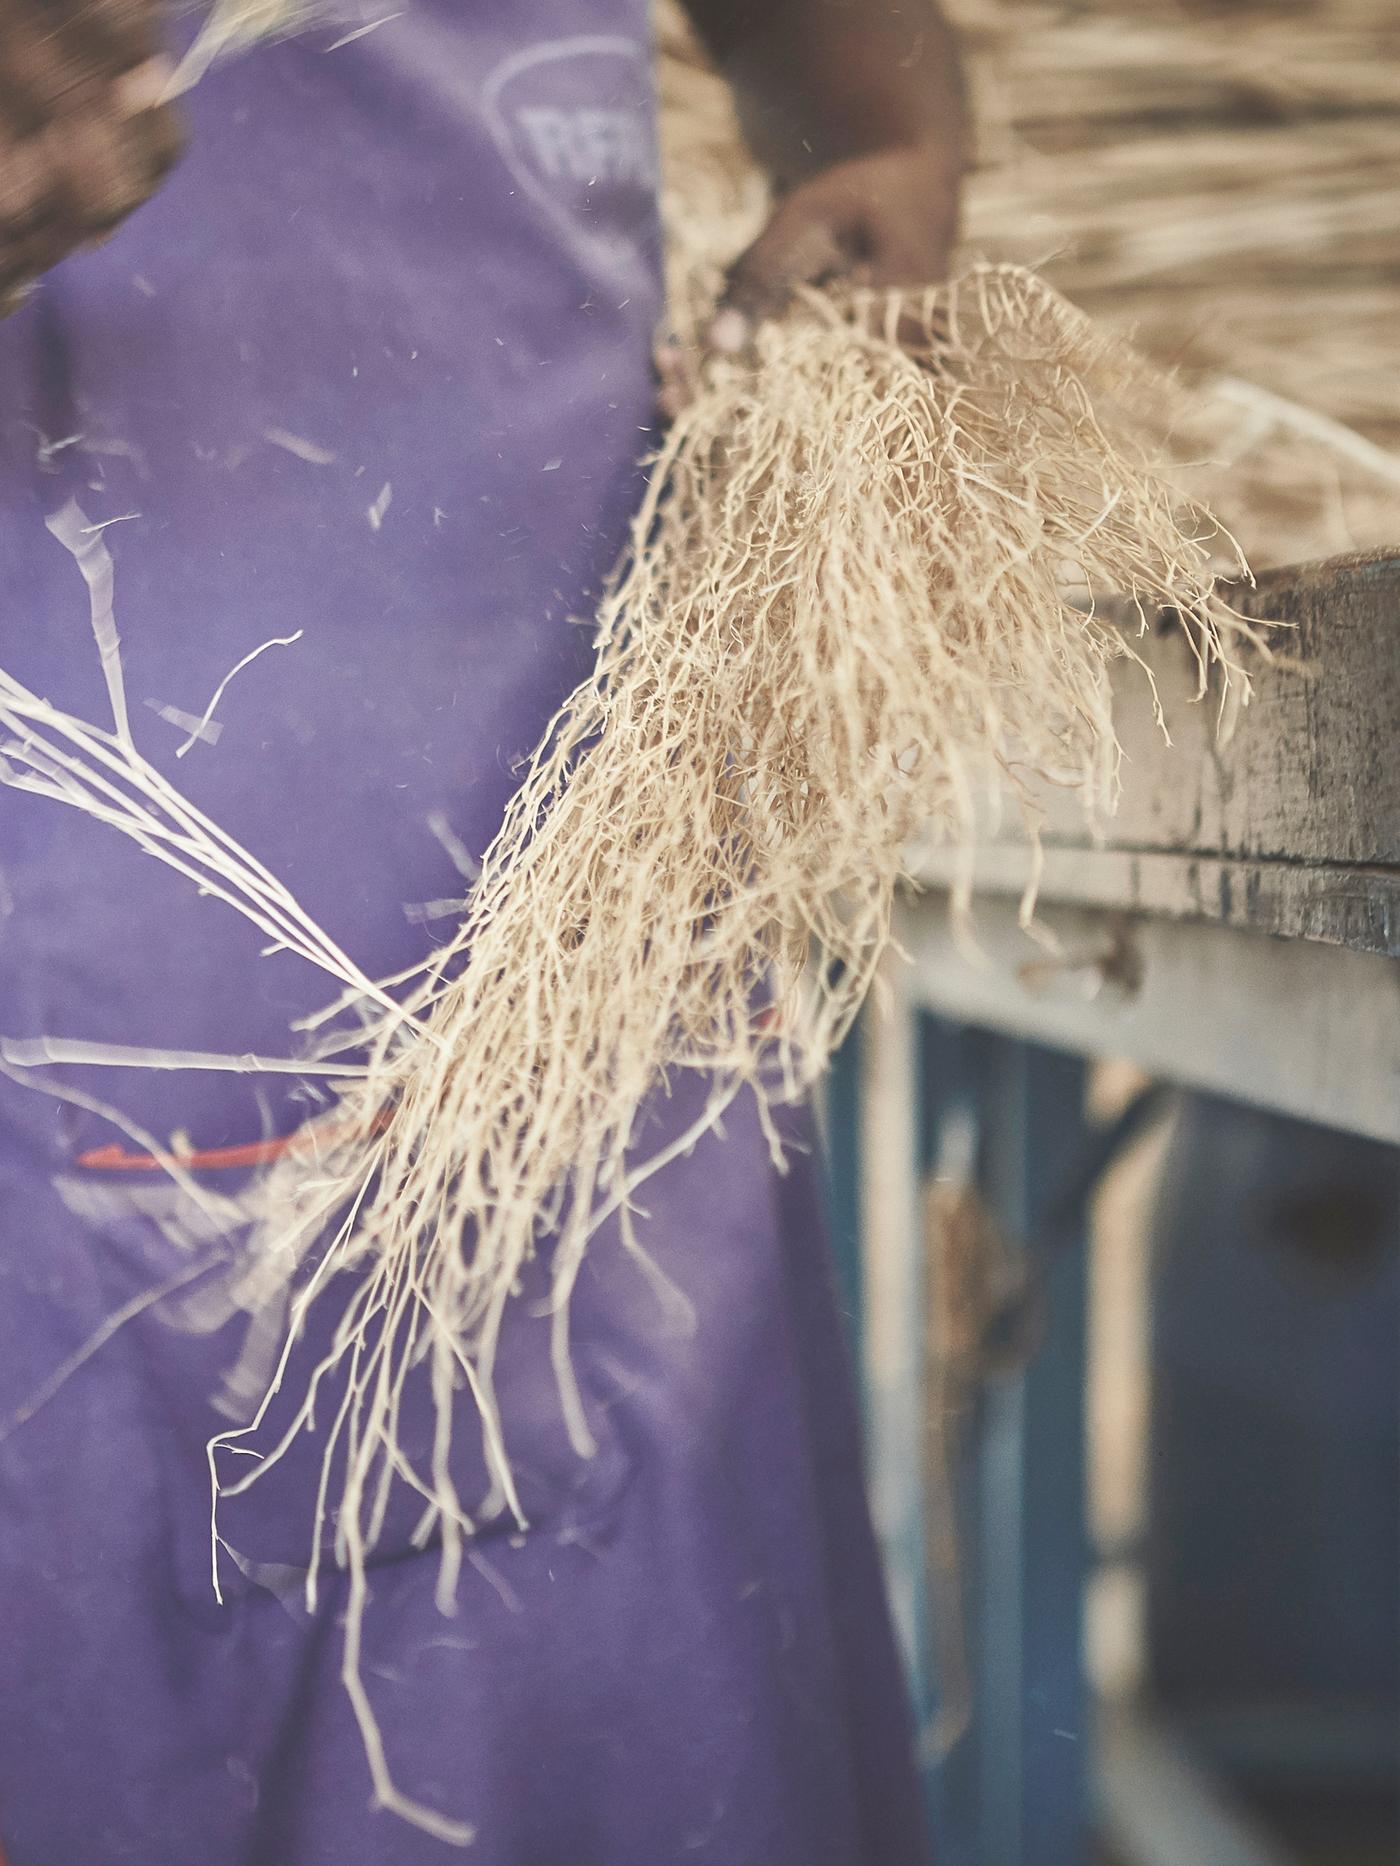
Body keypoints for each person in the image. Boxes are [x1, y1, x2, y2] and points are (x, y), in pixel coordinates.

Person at [0, 2, 966, 1859]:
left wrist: (886, 143)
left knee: (646, 1712)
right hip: (98, 947)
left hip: (583, 920)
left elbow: (828, 44)